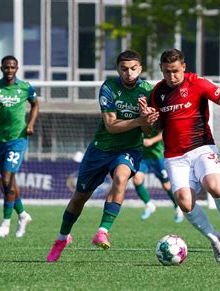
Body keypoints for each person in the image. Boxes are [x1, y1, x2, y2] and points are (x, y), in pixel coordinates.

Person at [147, 48, 220, 263]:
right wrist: (147, 121)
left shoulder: (197, 83)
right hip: (175, 155)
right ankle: (214, 238)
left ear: (184, 67)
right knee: (184, 202)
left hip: (202, 147)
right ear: (161, 69)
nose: (172, 76)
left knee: (215, 186)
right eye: (167, 72)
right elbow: (152, 129)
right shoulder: (157, 93)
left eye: (176, 71)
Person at [47, 50, 158, 262]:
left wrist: (147, 120)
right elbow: (111, 125)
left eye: (133, 68)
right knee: (80, 197)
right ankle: (62, 238)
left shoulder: (148, 91)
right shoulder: (109, 87)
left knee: (121, 178)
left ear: (140, 69)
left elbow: (146, 132)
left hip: (129, 149)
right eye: (124, 69)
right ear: (118, 70)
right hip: (100, 149)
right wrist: (140, 120)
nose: (129, 73)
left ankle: (102, 231)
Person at [0, 55, 38, 238]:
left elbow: (35, 105)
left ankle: (5, 224)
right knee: (8, 183)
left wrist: (31, 124)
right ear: (1, 68)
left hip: (17, 139)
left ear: (17, 68)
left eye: (12, 67)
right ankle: (23, 215)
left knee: (6, 178)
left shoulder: (25, 87)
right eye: (6, 67)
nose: (9, 70)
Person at [134, 129, 184, 223]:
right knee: (137, 179)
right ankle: (149, 205)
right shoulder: (138, 118)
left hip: (158, 157)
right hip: (143, 157)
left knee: (167, 185)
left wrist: (151, 140)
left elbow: (165, 131)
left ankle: (178, 207)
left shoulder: (158, 117)